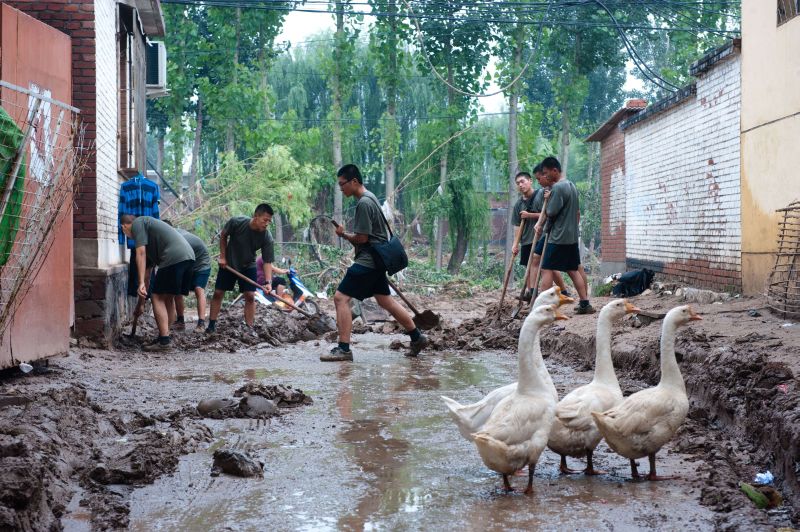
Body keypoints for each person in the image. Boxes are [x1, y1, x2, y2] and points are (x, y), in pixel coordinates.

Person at [323, 164, 429, 362]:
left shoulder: (363, 203)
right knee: (385, 300)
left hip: (368, 260)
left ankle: (344, 349)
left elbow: (362, 238)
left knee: (340, 298)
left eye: (342, 184)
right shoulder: (371, 197)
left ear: (354, 181)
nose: (341, 188)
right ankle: (417, 337)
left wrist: (343, 234)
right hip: (378, 260)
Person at [120, 215, 195, 350]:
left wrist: (140, 283)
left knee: (157, 297)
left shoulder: (138, 223)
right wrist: (140, 304)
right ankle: (164, 335)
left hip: (174, 257)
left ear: (124, 227)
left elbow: (140, 254)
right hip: (188, 257)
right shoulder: (153, 241)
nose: (129, 237)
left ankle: (164, 341)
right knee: (168, 298)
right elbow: (147, 275)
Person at [535, 157, 594, 314]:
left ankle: (541, 306)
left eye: (547, 173)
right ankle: (585, 303)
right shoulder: (571, 185)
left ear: (555, 170)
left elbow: (551, 212)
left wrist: (547, 200)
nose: (546, 176)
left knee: (546, 268)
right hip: (572, 237)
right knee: (572, 270)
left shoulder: (558, 188)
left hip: (558, 236)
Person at [206, 204, 276, 333]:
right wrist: (222, 256)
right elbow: (223, 235)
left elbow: (267, 261)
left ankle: (249, 328)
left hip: (248, 265)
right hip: (229, 263)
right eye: (265, 220)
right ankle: (211, 325)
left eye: (269, 221)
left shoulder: (267, 237)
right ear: (256, 216)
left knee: (250, 296)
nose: (267, 224)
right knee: (218, 293)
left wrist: (268, 282)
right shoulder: (237, 222)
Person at [511, 166, 567, 300]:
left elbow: (548, 214)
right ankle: (531, 292)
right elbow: (517, 226)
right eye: (518, 183)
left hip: (542, 237)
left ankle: (564, 291)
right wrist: (515, 244)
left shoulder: (542, 195)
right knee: (529, 266)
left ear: (530, 181)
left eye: (523, 181)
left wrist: (529, 215)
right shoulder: (518, 204)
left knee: (548, 267)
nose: (521, 185)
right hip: (526, 239)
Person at [174, 227, 211, 330]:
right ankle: (180, 321)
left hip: (201, 264)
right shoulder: (172, 236)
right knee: (177, 291)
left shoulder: (178, 239)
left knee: (198, 289)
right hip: (188, 263)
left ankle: (201, 323)